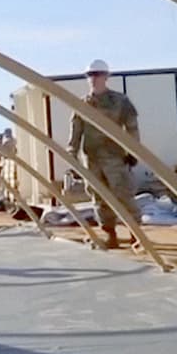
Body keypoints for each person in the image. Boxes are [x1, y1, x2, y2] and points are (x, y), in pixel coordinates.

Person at [67, 59, 141, 249]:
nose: (94, 78)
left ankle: (136, 234)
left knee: (123, 194)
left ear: (107, 77)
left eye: (98, 74)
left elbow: (132, 127)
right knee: (99, 199)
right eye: (91, 75)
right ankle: (110, 234)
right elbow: (75, 133)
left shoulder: (120, 102)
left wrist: (133, 151)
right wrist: (72, 158)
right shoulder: (82, 105)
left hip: (115, 158)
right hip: (92, 159)